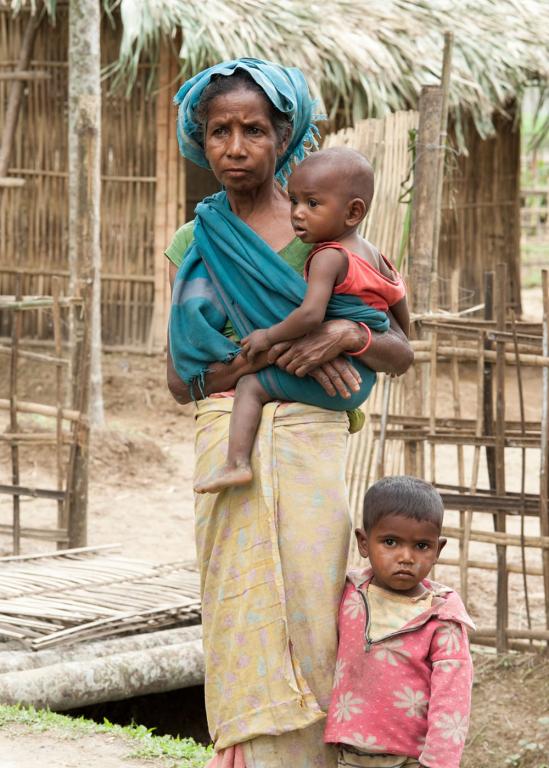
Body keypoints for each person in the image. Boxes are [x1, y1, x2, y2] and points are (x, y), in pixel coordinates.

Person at [166, 58, 414, 768]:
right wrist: (270, 362)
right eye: (218, 131)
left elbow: (401, 351)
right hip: (227, 440)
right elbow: (181, 382)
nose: (234, 147)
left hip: (310, 443)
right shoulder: (194, 243)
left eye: (252, 130)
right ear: (200, 138)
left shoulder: (331, 233)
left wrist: (346, 334)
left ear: (285, 136)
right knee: (238, 612)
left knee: (310, 615)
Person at [195, 147, 409, 494]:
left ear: (354, 212)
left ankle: (236, 464)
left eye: (312, 204)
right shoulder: (374, 255)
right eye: (294, 201)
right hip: (362, 374)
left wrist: (268, 336)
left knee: (252, 386)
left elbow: (310, 315)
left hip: (340, 382)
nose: (297, 214)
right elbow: (399, 306)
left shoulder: (328, 256)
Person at [324, 476, 474, 768]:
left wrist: (437, 764)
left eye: (421, 545)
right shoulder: (347, 594)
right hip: (346, 756)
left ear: (438, 550)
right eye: (390, 542)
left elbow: (451, 704)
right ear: (364, 543)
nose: (406, 557)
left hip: (410, 760)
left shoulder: (442, 618)